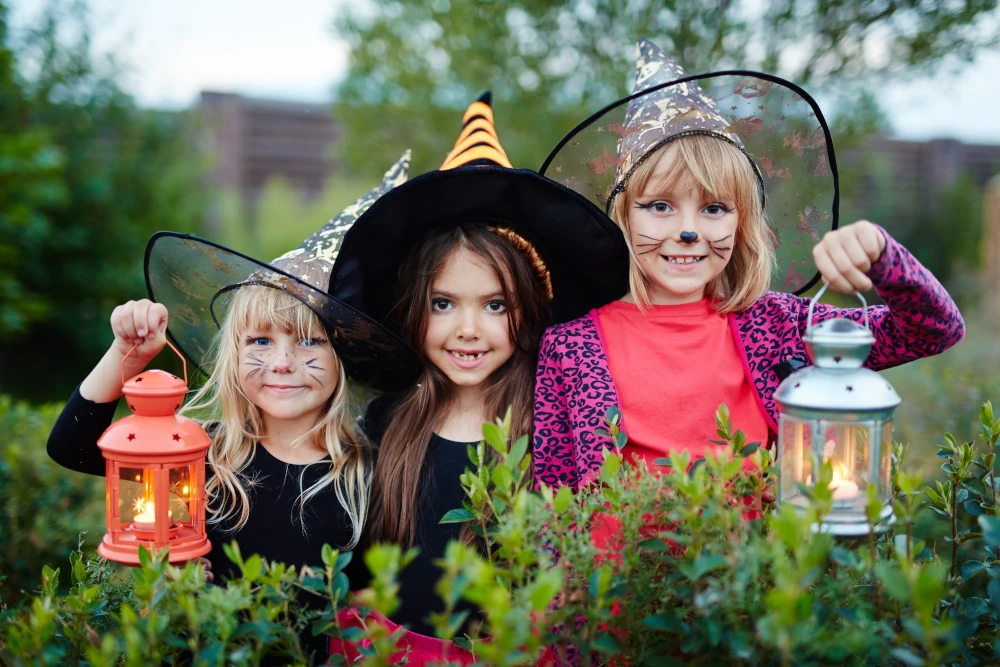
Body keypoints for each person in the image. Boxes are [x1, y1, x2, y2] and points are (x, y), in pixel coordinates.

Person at [532, 38, 965, 492]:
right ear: (623, 216)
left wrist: (882, 253)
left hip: (748, 563)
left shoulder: (777, 326)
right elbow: (552, 499)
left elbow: (934, 330)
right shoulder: (571, 348)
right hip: (618, 566)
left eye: (714, 208)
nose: (688, 231)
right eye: (659, 206)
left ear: (742, 223)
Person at [46, 154, 419, 664]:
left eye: (310, 343)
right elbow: (72, 447)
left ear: (342, 363)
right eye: (261, 341)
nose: (283, 363)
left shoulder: (366, 473)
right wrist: (125, 356)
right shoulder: (197, 458)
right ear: (232, 355)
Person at [325, 92, 629, 662]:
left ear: (531, 312)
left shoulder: (554, 425)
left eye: (495, 305)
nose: (468, 329)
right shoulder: (386, 422)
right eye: (443, 304)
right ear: (413, 309)